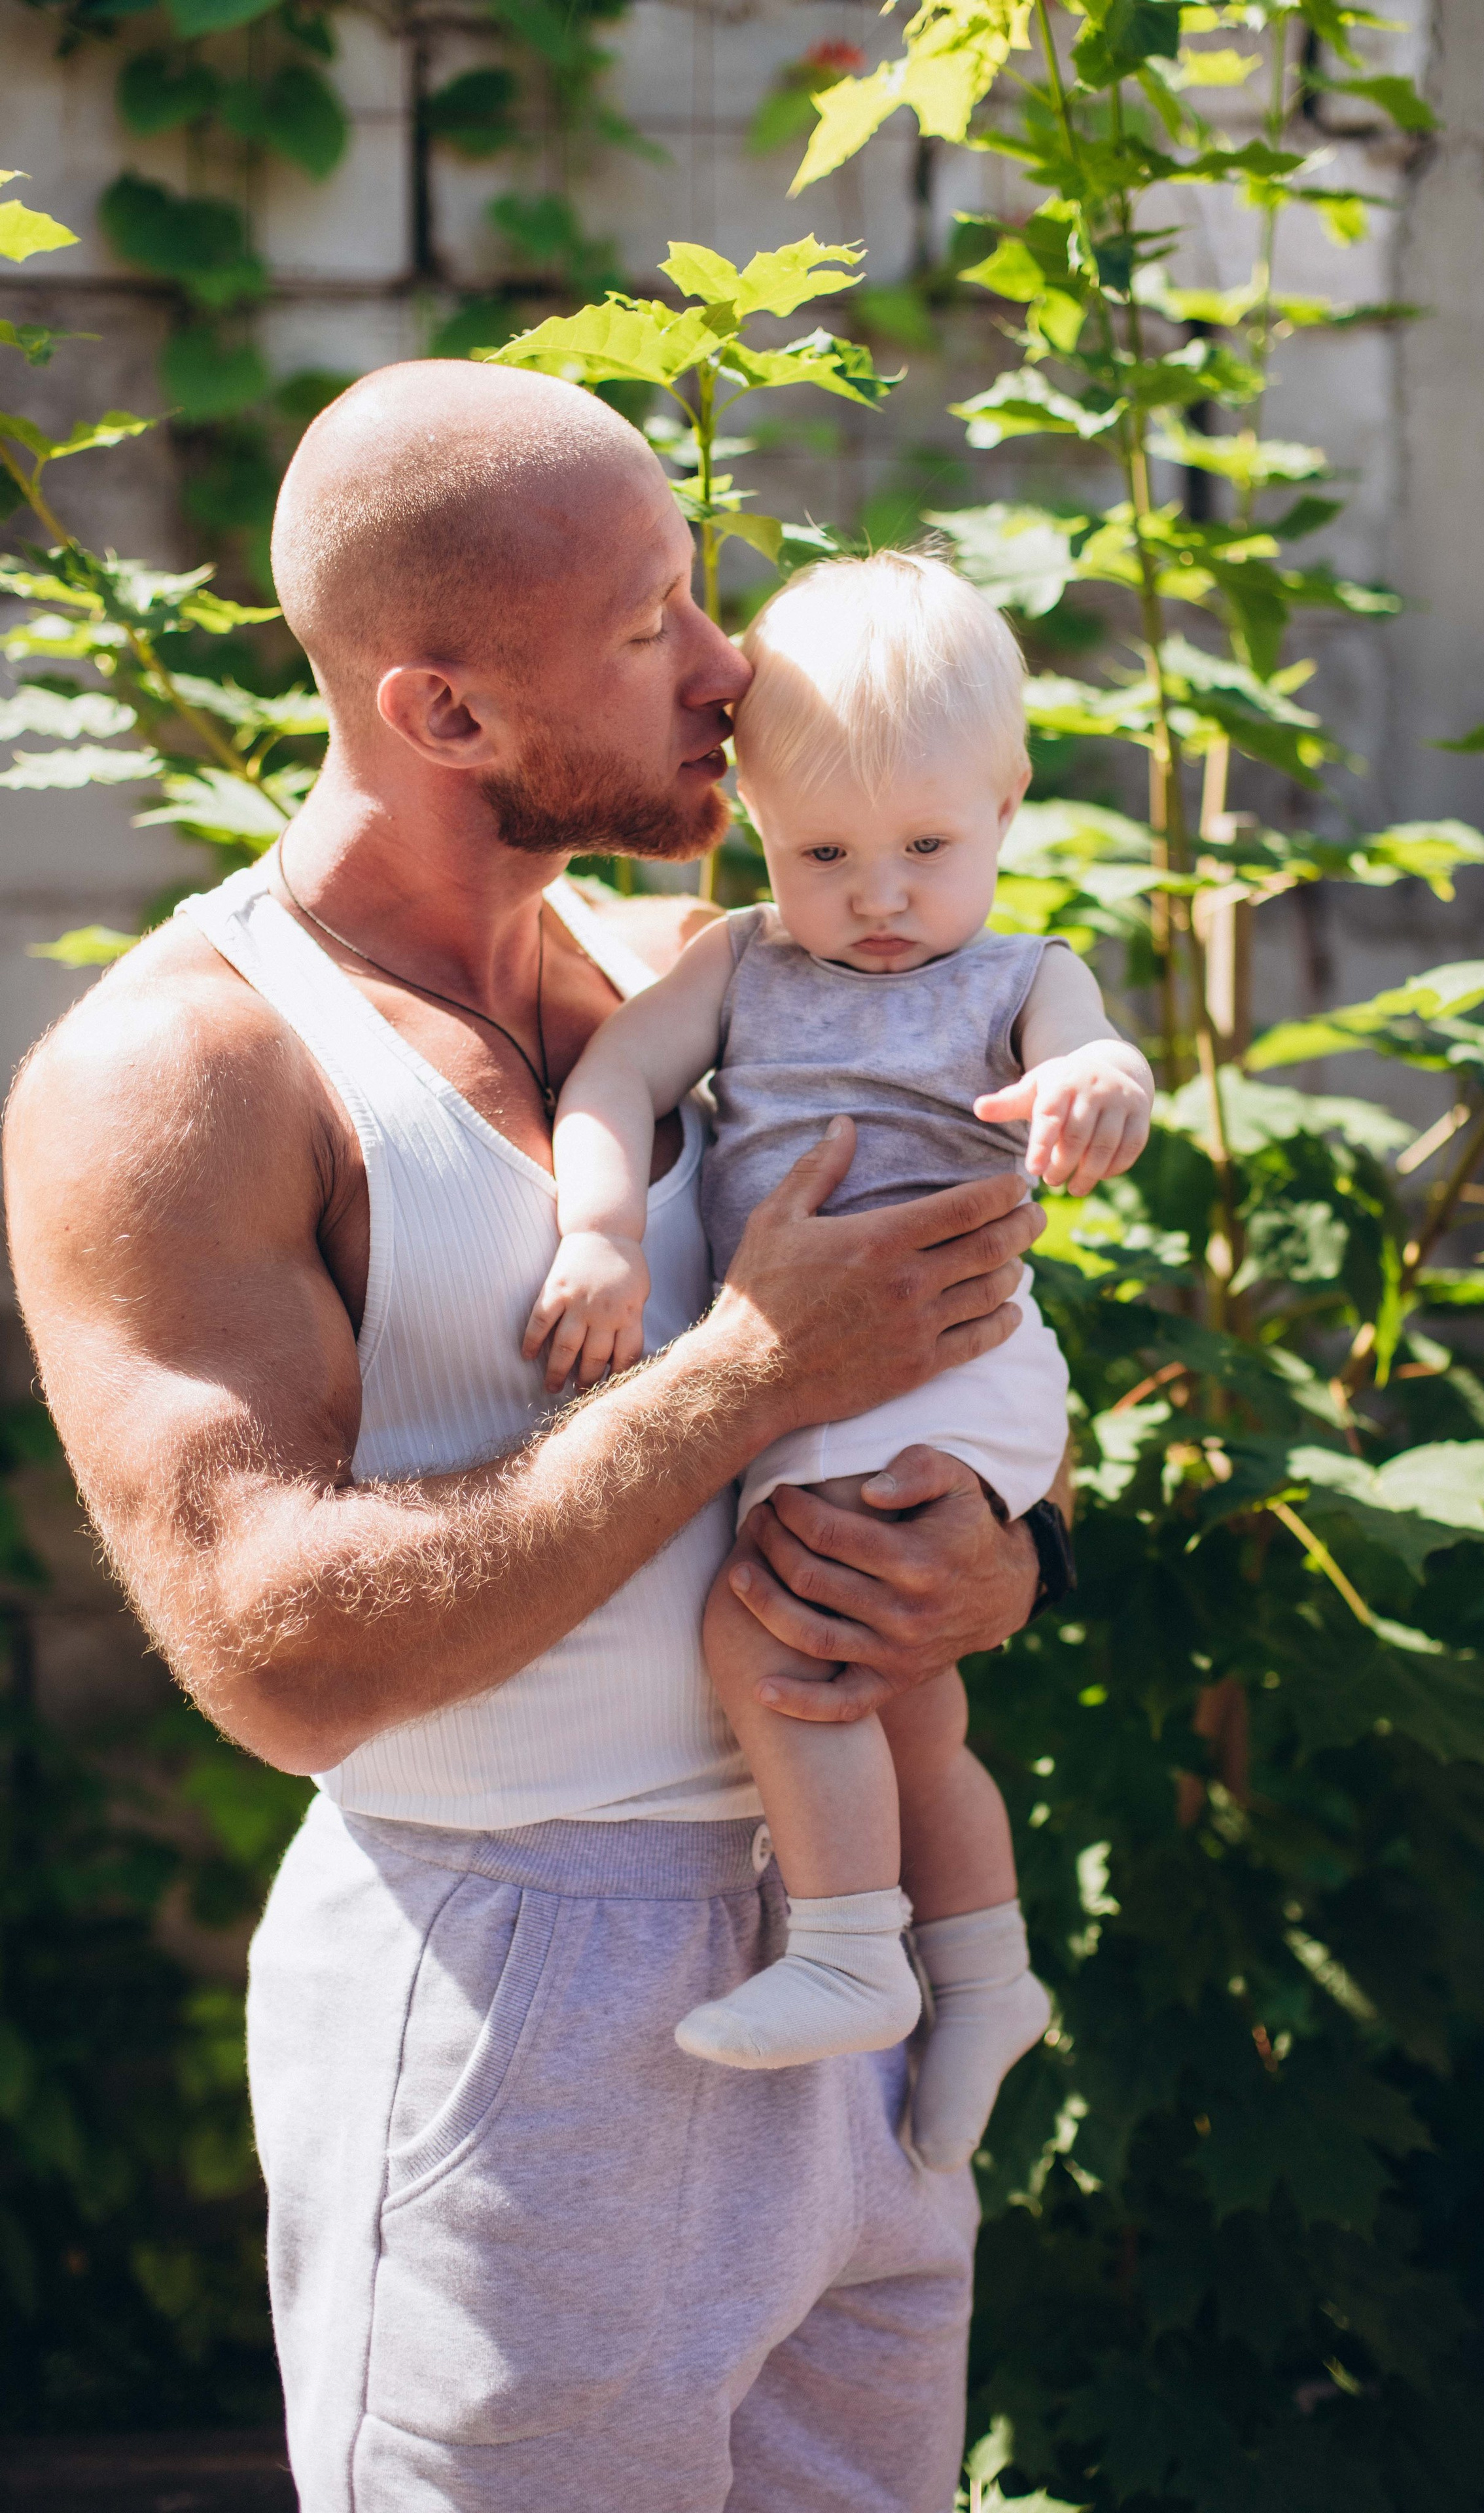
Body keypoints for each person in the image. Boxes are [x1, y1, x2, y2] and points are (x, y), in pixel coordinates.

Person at [3, 359, 1061, 2513]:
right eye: (652, 623)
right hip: (518, 1997)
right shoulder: (189, 1071)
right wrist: (744, 1372)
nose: (730, 665)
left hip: (836, 1943)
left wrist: (999, 1563)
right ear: (447, 713)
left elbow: (950, 1364)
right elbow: (281, 1656)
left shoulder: (715, 964)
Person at [526, 552, 1153, 2167]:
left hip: (950, 1359)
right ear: (751, 823)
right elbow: (613, 1077)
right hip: (829, 1366)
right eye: (823, 853)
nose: (878, 897)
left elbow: (1098, 1061)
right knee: (905, 1699)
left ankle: (849, 1951)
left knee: (772, 1636)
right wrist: (598, 1234)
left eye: (926, 850)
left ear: (1005, 806)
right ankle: (985, 1978)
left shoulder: (1021, 977)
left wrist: (1093, 1096)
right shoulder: (741, 964)